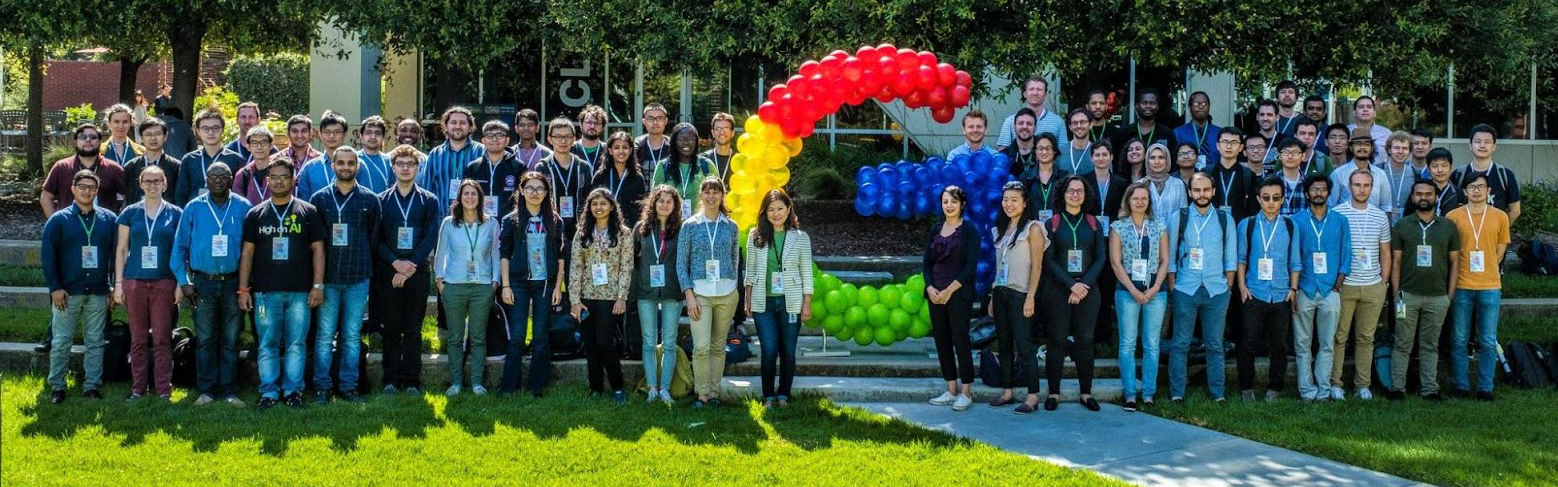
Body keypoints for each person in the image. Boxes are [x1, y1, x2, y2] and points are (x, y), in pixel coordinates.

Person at [238, 157, 326, 410]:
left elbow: (319, 250)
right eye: (273, 177)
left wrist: (317, 286)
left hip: (300, 292)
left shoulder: (308, 212)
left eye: (284, 177)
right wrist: (243, 289)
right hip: (265, 292)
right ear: (267, 181)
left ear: (294, 180)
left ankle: (293, 391)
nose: (278, 181)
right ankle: (269, 392)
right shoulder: (255, 214)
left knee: (297, 343)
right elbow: (247, 253)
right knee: (268, 343)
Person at [171, 161, 251, 406]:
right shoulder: (193, 208)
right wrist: (184, 282)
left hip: (233, 282)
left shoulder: (244, 207)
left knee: (230, 338)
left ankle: (229, 390)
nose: (218, 181)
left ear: (230, 179)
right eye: (213, 176)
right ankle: (206, 390)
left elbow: (251, 250)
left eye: (223, 176)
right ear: (206, 180)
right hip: (202, 282)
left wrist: (245, 287)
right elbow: (178, 249)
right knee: (205, 338)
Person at [306, 146, 379, 403]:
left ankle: (349, 386)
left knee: (351, 335)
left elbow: (373, 238)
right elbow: (313, 243)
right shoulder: (319, 199)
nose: (346, 167)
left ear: (357, 166)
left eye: (351, 163)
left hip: (358, 278)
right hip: (328, 279)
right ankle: (322, 386)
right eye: (341, 163)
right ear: (333, 165)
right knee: (325, 336)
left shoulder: (370, 200)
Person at [42, 170, 119, 404]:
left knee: (95, 340)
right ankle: (57, 385)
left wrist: (115, 286)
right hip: (67, 292)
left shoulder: (108, 219)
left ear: (97, 191)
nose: (87, 191)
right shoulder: (58, 220)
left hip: (98, 290)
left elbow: (117, 255)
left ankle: (92, 385)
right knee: (62, 340)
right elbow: (47, 256)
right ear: (73, 189)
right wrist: (54, 287)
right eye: (82, 186)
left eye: (92, 187)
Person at [1166, 172, 1237, 403]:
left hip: (1216, 289)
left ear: (1214, 191)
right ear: (1189, 192)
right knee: (1180, 343)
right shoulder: (1179, 217)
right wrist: (1172, 284)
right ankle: (1177, 392)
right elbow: (1171, 255)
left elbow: (1231, 256)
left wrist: (1228, 285)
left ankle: (1218, 392)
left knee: (1215, 344)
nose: (1202, 194)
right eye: (1196, 190)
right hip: (1185, 288)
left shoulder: (1225, 219)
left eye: (1206, 190)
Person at [113, 165, 182, 400]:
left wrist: (181, 283)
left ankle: (163, 389)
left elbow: (181, 251)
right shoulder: (129, 213)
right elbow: (122, 250)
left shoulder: (176, 213)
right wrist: (119, 284)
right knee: (138, 338)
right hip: (135, 281)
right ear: (140, 184)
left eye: (157, 181)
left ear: (165, 183)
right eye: (148, 181)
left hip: (165, 281)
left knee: (163, 336)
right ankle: (138, 388)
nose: (153, 185)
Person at [376, 144, 440, 396]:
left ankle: (412, 379)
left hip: (418, 271)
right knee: (391, 327)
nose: (405, 168)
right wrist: (395, 263)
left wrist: (410, 265)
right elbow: (377, 239)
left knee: (413, 327)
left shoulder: (429, 200)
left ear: (417, 168)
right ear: (393, 168)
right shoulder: (381, 200)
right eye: (400, 164)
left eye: (410, 164)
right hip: (389, 271)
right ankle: (390, 378)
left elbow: (431, 235)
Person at [1388, 180, 1459, 401]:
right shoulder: (1402, 225)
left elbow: (1455, 262)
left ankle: (1429, 388)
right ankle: (1397, 387)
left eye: (1429, 193)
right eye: (1419, 194)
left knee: (1430, 344)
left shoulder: (1448, 226)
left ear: (1436, 197)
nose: (1424, 197)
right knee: (1402, 343)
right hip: (1407, 296)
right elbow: (1396, 262)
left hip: (1438, 297)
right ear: (1412, 198)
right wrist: (1397, 293)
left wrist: (1449, 296)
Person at [1041, 176, 1108, 411]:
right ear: (1063, 193)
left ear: (1086, 195)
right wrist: (1072, 285)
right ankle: (1054, 393)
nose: (1075, 194)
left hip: (1088, 290)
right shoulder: (1052, 224)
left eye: (1080, 191)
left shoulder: (1093, 224)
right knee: (1057, 341)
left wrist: (1083, 285)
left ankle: (1086, 393)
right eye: (1071, 190)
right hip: (1058, 290)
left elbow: (1101, 258)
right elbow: (1048, 261)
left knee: (1085, 341)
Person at [744, 189, 814, 409]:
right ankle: (767, 396)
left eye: (780, 209)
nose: (776, 214)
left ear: (788, 209)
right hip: (763, 302)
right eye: (771, 209)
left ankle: (783, 393)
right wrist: (747, 300)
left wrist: (807, 301)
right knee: (769, 348)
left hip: (790, 302)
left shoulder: (801, 238)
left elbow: (806, 273)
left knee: (788, 350)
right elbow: (750, 271)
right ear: (764, 212)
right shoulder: (755, 236)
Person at [498, 171, 565, 397]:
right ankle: (509, 386)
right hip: (517, 283)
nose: (535, 193)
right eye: (530, 188)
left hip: (545, 284)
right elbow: (504, 254)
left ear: (547, 193)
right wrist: (505, 286)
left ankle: (537, 386)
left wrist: (558, 286)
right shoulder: (511, 220)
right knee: (517, 335)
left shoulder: (555, 221)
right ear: (521, 191)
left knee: (540, 336)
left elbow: (561, 256)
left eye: (540, 189)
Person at [677, 176, 741, 408]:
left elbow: (735, 258)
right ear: (701, 196)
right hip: (700, 294)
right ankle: (701, 393)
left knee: (717, 346)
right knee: (702, 346)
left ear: (722, 195)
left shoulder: (731, 226)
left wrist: (734, 286)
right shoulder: (690, 225)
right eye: (707, 192)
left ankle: (714, 393)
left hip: (726, 293)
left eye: (716, 192)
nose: (712, 196)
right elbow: (680, 263)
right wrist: (689, 295)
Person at [1235, 178, 1301, 401]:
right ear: (1258, 199)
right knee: (1248, 343)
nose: (1271, 202)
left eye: (1275, 198)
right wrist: (1242, 286)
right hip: (1254, 291)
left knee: (1279, 344)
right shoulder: (1247, 224)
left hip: (1282, 293)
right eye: (1266, 198)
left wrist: (1293, 289)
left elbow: (1295, 262)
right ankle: (1246, 388)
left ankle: (1275, 387)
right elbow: (1241, 259)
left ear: (1282, 200)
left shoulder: (1291, 225)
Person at [1329, 169, 1391, 400]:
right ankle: (1336, 383)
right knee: (1339, 336)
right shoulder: (1337, 213)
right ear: (1349, 186)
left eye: (1366, 185)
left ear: (1372, 187)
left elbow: (1385, 251)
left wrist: (1384, 281)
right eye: (1357, 185)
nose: (1362, 190)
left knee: (1366, 338)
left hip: (1373, 284)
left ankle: (1362, 385)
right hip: (1345, 285)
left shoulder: (1379, 216)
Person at [1447, 174, 1510, 401]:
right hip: (1462, 284)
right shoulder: (1453, 216)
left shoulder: (1500, 217)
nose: (1476, 191)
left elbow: (1500, 249)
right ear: (1465, 191)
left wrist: (1488, 269)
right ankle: (1461, 385)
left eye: (1481, 187)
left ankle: (1485, 387)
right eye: (1472, 187)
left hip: (1490, 285)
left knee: (1487, 339)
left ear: (1488, 190)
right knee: (1459, 339)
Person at [985, 181, 1046, 413]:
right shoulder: (1001, 229)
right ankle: (1007, 391)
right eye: (1005, 200)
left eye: (1014, 200)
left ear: (1025, 202)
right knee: (1005, 343)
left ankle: (1032, 396)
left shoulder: (1033, 229)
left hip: (1022, 294)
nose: (1008, 204)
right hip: (1001, 292)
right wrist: (992, 296)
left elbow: (1038, 267)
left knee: (1025, 345)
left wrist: (1031, 297)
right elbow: (998, 267)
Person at [436, 180, 501, 396]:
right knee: (455, 337)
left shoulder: (491, 223)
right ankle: (455, 382)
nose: (470, 197)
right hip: (454, 286)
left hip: (482, 286)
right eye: (466, 194)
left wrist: (495, 282)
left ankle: (476, 383)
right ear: (459, 197)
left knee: (478, 337)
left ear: (480, 198)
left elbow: (495, 254)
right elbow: (441, 252)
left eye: (474, 194)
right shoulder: (449, 223)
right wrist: (440, 281)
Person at [569, 188, 635, 402]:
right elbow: (576, 268)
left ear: (612, 206)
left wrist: (621, 297)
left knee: (605, 342)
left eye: (603, 203)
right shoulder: (581, 233)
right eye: (594, 203)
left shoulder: (623, 233)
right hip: (586, 297)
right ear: (589, 207)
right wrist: (575, 301)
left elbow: (627, 266)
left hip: (610, 297)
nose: (599, 207)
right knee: (589, 343)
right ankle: (595, 387)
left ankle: (617, 387)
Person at [1111, 182, 1169, 411]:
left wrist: (1155, 287)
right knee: (1127, 343)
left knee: (1152, 343)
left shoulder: (1159, 226)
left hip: (1155, 291)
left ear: (1149, 202)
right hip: (1127, 291)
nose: (1140, 202)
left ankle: (1148, 392)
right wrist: (1134, 290)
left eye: (1144, 198)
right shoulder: (1118, 227)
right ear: (1128, 200)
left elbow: (1165, 261)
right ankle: (1130, 394)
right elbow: (1116, 263)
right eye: (1136, 198)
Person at [1292, 175, 1350, 402]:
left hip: (1330, 290)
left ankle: (1324, 389)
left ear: (1328, 193)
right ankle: (1306, 390)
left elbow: (1346, 253)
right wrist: (1294, 288)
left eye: (1323, 189)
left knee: (1327, 343)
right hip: (1305, 288)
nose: (1318, 193)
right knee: (1302, 344)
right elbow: (1292, 256)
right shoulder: (1296, 220)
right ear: (1307, 194)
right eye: (1314, 189)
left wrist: (1338, 283)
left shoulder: (1340, 220)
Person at [923, 186, 980, 411]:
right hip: (935, 295)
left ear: (962, 204)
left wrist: (949, 290)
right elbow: (927, 263)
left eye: (953, 201)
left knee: (960, 340)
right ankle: (951, 389)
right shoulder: (936, 229)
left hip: (958, 294)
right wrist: (929, 288)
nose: (949, 205)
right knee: (942, 341)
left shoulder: (970, 230)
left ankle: (966, 391)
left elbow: (970, 266)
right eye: (945, 201)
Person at [631, 185, 684, 404]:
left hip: (673, 290)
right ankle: (652, 387)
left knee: (670, 341)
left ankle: (665, 389)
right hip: (647, 290)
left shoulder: (682, 229)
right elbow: (633, 258)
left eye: (669, 201)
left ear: (675, 205)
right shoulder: (641, 228)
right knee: (649, 341)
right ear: (653, 203)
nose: (664, 205)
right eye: (660, 201)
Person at [41, 123, 127, 215]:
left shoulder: (113, 168)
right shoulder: (62, 167)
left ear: (100, 142)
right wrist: (55, 223)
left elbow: (129, 196)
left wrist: (121, 223)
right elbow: (46, 197)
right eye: (83, 137)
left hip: (104, 227)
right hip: (69, 227)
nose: (88, 140)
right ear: (75, 142)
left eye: (93, 137)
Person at [1450, 124, 1521, 223]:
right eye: (1478, 142)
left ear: (1494, 146)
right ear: (1470, 145)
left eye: (1487, 142)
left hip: (1494, 236)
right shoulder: (1459, 174)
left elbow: (1515, 210)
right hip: (1465, 234)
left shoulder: (1505, 175)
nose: (1482, 145)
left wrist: (1500, 231)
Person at [539, 117, 595, 241]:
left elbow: (589, 198)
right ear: (550, 139)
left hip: (579, 229)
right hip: (550, 229)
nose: (563, 141)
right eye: (558, 137)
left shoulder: (583, 167)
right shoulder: (542, 167)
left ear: (574, 139)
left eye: (568, 136)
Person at [174, 109, 244, 206]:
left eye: (215, 128)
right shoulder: (189, 160)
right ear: (197, 131)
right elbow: (181, 195)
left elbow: (240, 194)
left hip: (225, 213)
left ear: (223, 129)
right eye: (205, 129)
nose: (211, 132)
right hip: (196, 214)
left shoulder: (236, 159)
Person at [419, 107, 483, 212]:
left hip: (474, 220)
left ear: (471, 127)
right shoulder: (435, 155)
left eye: (463, 123)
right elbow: (427, 190)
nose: (457, 126)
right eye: (453, 122)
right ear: (445, 127)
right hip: (442, 220)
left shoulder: (481, 152)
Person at [650, 123, 714, 216]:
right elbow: (654, 199)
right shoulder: (663, 166)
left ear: (696, 141)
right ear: (674, 142)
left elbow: (718, 196)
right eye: (681, 139)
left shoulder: (706, 165)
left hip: (700, 224)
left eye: (691, 138)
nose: (686, 142)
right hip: (671, 224)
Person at [464, 120, 524, 219]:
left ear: (507, 140)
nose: (495, 139)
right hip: (480, 222)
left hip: (509, 223)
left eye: (500, 135)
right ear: (483, 141)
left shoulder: (518, 167)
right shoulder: (474, 167)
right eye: (490, 136)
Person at [1328, 128, 1395, 213]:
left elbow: (1386, 207)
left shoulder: (1380, 174)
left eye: (1366, 144)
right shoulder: (1338, 174)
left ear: (1372, 148)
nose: (1362, 147)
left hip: (1373, 223)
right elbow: (1330, 206)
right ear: (1351, 148)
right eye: (1358, 144)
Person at [591, 131, 649, 228]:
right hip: (604, 227)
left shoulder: (637, 177)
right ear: (610, 151)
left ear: (630, 151)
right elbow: (592, 204)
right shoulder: (601, 175)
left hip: (629, 229)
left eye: (625, 147)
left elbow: (640, 208)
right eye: (616, 147)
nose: (621, 151)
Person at [995, 77, 1067, 150]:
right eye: (1031, 89)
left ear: (1046, 94)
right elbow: (1002, 153)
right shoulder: (1010, 121)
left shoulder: (1058, 122)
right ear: (1025, 94)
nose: (1035, 93)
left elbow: (1063, 152)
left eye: (1039, 89)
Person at [122, 118, 180, 205]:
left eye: (158, 134)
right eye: (148, 135)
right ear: (141, 138)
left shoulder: (176, 166)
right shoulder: (130, 166)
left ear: (165, 136)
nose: (153, 138)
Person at [1208, 128, 1256, 220]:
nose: (1229, 146)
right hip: (1211, 224)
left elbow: (1252, 209)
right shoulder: (1207, 172)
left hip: (1239, 226)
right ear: (1218, 146)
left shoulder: (1248, 175)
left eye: (1234, 143)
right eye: (1225, 142)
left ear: (1241, 147)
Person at [295, 111, 345, 199]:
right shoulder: (310, 168)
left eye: (337, 132)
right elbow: (304, 202)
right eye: (327, 132)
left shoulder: (356, 165)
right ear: (320, 135)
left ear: (345, 134)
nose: (332, 136)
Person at [1109, 88, 1176, 152]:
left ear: (1158, 106)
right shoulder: (1124, 133)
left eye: (1152, 103)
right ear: (1137, 105)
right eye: (1144, 103)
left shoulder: (1166, 134)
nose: (1148, 106)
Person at [231, 126, 282, 208]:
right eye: (254, 143)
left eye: (264, 142)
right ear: (248, 146)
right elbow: (237, 205)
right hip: (250, 219)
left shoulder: (281, 173)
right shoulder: (243, 175)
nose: (259, 147)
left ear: (271, 145)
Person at [1022, 133, 1066, 222]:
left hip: (1058, 228)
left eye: (1048, 148)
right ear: (1035, 151)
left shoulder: (1064, 177)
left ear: (1055, 151)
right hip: (1032, 228)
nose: (1044, 152)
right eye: (1040, 149)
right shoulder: (1026, 177)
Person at [1379, 131, 1419, 220]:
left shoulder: (1414, 173)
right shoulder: (1378, 171)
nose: (1400, 152)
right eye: (1396, 148)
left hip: (1406, 223)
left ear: (1409, 151)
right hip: (1381, 221)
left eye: (1404, 148)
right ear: (1389, 150)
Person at [1143, 143, 1187, 223]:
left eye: (1161, 157)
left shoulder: (1178, 184)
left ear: (1167, 160)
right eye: (1152, 158)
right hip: (1147, 234)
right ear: (1147, 160)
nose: (1157, 162)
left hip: (1173, 233)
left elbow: (1183, 213)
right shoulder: (1140, 184)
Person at [1085, 141, 1129, 221]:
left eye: (1104, 155)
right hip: (1089, 226)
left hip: (1114, 226)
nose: (1101, 158)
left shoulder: (1121, 183)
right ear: (1091, 158)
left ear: (1111, 157)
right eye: (1097, 155)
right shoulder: (1084, 181)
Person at [1172, 91, 1219, 159]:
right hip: (1188, 169)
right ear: (1189, 107)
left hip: (1214, 169)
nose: (1200, 107)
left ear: (1209, 107)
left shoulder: (1219, 133)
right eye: (1196, 104)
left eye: (1204, 104)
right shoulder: (1178, 133)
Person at [355, 116, 394, 194]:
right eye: (368, 133)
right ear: (361, 136)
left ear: (383, 137)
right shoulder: (353, 159)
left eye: (378, 133)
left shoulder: (389, 161)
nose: (373, 137)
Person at [1347, 96, 1392, 164]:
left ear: (1374, 113)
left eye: (1369, 107)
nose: (1365, 109)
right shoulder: (1346, 132)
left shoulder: (1386, 134)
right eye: (1361, 107)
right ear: (1354, 112)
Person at [1274, 138, 1310, 216]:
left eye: (1295, 152)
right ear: (1279, 156)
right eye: (1286, 152)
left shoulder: (1309, 183)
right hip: (1277, 227)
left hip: (1301, 227)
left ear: (1303, 155)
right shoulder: (1270, 182)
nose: (1290, 156)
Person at [1000, 108, 1039, 177]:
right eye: (1020, 123)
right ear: (1014, 127)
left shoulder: (1044, 154)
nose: (1024, 127)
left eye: (1029, 124)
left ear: (1035, 128)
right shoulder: (1004, 156)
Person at [702, 112, 739, 184]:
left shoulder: (739, 160)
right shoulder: (703, 160)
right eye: (718, 128)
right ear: (712, 133)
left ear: (732, 132)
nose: (722, 132)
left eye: (726, 128)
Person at [1426, 148, 1465, 216]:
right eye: (1435, 166)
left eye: (1444, 165)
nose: (1440, 170)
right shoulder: (1420, 192)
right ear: (1428, 169)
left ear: (1451, 167)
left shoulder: (1460, 193)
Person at [635, 103, 673, 172]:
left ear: (666, 121)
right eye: (650, 119)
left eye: (659, 118)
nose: (655, 122)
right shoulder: (636, 145)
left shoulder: (673, 145)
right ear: (644, 121)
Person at [1061, 109, 1095, 174]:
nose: (1079, 126)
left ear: (1090, 124)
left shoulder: (1097, 152)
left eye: (1082, 122)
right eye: (1075, 123)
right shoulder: (1061, 151)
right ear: (1070, 127)